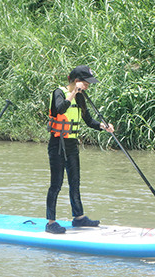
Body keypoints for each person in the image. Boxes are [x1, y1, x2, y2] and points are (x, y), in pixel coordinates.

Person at [46, 65, 114, 234]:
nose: (88, 86)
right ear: (77, 81)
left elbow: (89, 120)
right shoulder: (59, 93)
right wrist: (74, 92)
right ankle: (50, 222)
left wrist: (103, 126)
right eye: (86, 83)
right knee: (56, 184)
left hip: (71, 145)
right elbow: (60, 108)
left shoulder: (81, 98)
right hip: (57, 144)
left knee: (75, 182)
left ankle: (79, 218)